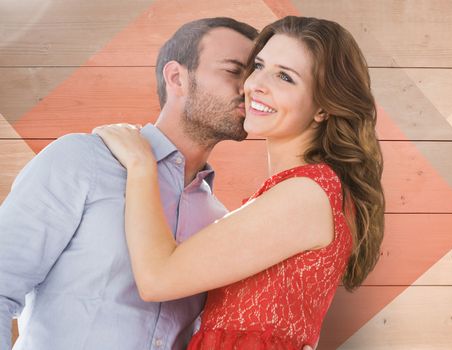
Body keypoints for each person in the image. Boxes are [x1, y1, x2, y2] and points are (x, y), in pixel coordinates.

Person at [94, 16, 386, 350]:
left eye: (285, 77)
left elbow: (157, 279)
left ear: (322, 108)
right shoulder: (303, 191)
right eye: (259, 66)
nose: (255, 84)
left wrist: (141, 164)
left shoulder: (307, 192)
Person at [0, 17, 260, 350]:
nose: (249, 88)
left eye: (253, 76)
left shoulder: (218, 220)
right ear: (177, 77)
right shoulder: (82, 161)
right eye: (234, 70)